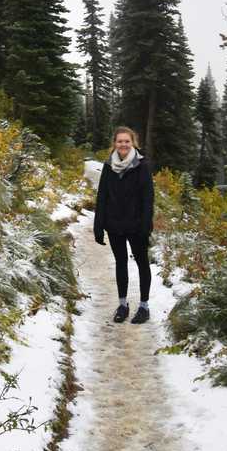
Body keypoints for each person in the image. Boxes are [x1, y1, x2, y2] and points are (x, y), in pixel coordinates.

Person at [93, 125, 155, 324]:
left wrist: (146, 225)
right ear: (115, 143)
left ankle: (144, 306)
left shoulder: (142, 165)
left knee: (142, 263)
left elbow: (148, 197)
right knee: (120, 263)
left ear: (132, 143)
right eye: (120, 141)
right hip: (114, 225)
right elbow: (102, 195)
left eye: (127, 141)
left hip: (137, 225)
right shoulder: (108, 165)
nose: (123, 144)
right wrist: (99, 225)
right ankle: (122, 304)